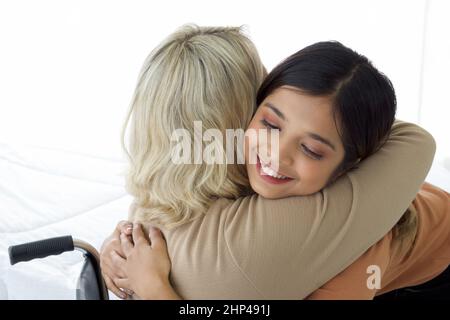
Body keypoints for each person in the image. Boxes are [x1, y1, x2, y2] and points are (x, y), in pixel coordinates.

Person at [100, 25, 436, 299]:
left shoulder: (297, 236)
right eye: (271, 121)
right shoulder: (234, 209)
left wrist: (154, 288)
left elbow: (416, 142)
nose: (276, 153)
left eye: (313, 148)